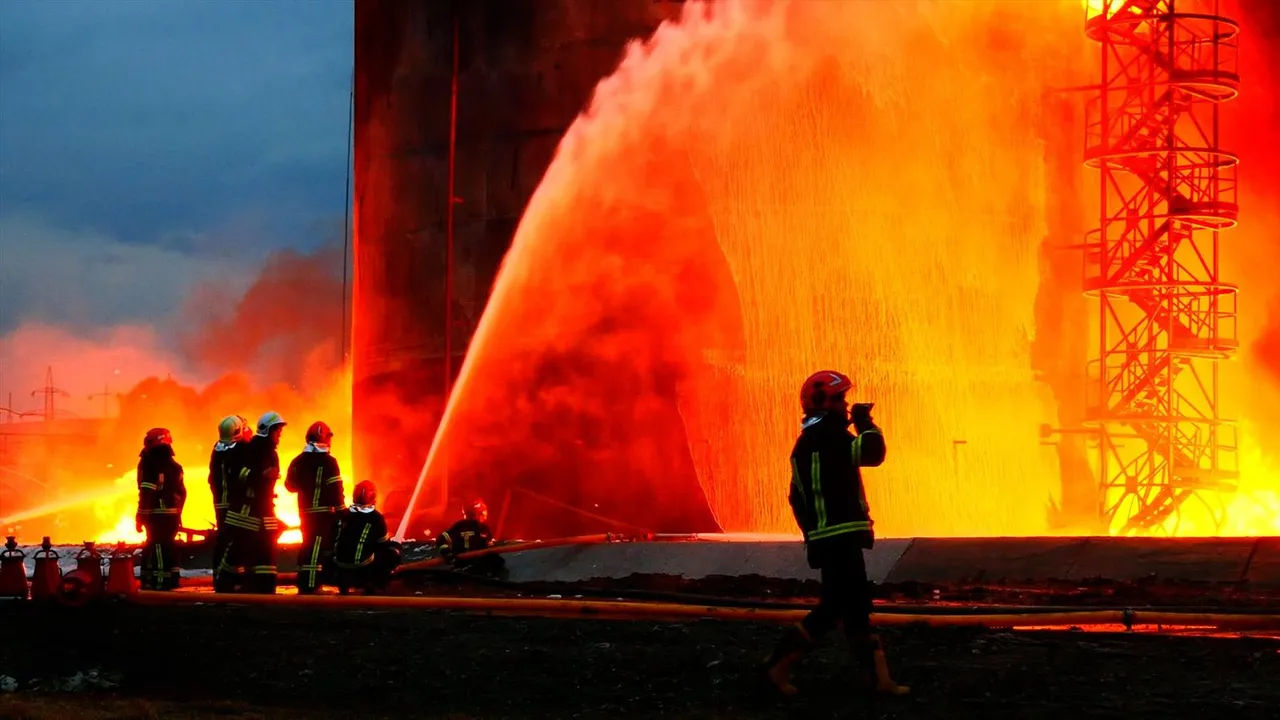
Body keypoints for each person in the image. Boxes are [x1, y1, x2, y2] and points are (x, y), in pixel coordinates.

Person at [762, 370, 908, 697]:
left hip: (831, 538)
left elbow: (795, 496)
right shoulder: (830, 437)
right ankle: (776, 665)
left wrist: (811, 536)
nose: (845, 405)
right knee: (834, 608)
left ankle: (879, 680)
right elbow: (873, 453)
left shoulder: (806, 443)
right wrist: (865, 422)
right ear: (821, 403)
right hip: (840, 537)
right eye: (840, 399)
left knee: (855, 607)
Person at [224, 412, 287, 594]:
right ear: (268, 430)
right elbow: (237, 475)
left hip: (262, 510)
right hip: (249, 512)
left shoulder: (268, 452)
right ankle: (240, 586)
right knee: (245, 549)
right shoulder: (250, 450)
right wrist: (260, 475)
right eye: (277, 431)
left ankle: (260, 587)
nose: (279, 435)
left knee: (262, 550)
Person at [284, 421, 345, 594]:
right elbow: (336, 490)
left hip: (305, 513)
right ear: (324, 439)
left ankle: (307, 583)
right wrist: (342, 512)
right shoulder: (329, 462)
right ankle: (311, 587)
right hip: (323, 515)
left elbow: (289, 485)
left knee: (308, 546)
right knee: (316, 551)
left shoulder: (298, 460)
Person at [136, 427, 186, 591]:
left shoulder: (149, 464)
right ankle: (172, 579)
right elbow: (182, 493)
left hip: (156, 514)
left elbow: (146, 492)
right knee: (169, 545)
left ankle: (158, 582)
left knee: (156, 545)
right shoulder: (175, 466)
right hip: (171, 514)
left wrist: (141, 516)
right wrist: (178, 512)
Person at [330, 480, 402, 594]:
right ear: (373, 496)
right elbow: (383, 546)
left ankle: (343, 586)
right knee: (392, 551)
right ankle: (376, 584)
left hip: (340, 569)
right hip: (362, 570)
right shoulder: (376, 518)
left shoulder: (344, 514)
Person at [210, 415, 250, 592]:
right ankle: (234, 579)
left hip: (220, 503)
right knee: (239, 540)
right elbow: (244, 476)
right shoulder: (241, 450)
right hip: (236, 503)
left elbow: (212, 479)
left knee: (223, 540)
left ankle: (220, 578)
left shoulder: (217, 450)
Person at [436, 498, 505, 577]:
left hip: (460, 565)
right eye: (483, 513)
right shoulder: (482, 528)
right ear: (477, 514)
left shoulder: (457, 526)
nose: (485, 515)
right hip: (478, 567)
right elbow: (490, 548)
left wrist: (447, 553)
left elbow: (440, 540)